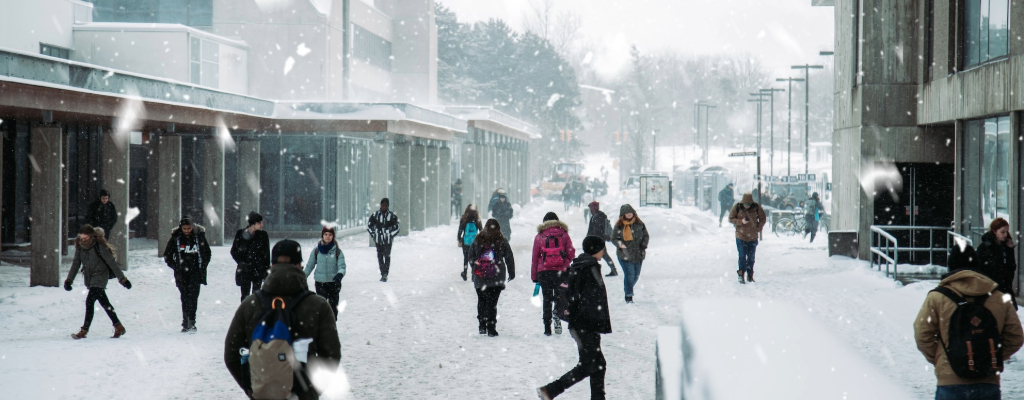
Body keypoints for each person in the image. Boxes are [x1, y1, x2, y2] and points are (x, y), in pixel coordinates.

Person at [224, 239, 342, 400]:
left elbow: (232, 355)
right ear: (300, 265)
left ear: (271, 266)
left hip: (263, 393)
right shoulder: (318, 306)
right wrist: (311, 391)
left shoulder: (250, 305)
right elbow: (331, 355)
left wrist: (253, 388)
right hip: (303, 393)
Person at [914, 244, 1023, 400]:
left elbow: (922, 334)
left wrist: (945, 358)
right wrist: (989, 357)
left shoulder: (937, 297)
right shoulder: (998, 296)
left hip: (950, 382)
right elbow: (1015, 337)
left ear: (951, 266)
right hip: (988, 382)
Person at [537, 235, 612, 400]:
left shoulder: (580, 265)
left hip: (578, 324)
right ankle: (550, 390)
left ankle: (596, 397)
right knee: (588, 366)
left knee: (597, 364)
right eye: (602, 248)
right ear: (595, 249)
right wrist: (595, 324)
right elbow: (591, 300)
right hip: (585, 325)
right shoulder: (590, 268)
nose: (603, 251)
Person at [65, 225, 132, 339]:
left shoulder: (99, 246)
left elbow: (112, 263)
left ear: (91, 236)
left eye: (85, 238)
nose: (83, 240)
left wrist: (123, 279)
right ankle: (118, 326)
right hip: (90, 277)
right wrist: (69, 280)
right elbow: (76, 264)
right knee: (105, 303)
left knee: (89, 301)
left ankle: (84, 330)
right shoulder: (80, 247)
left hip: (100, 276)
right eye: (81, 238)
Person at [468, 218, 516, 337]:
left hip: (480, 278)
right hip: (496, 277)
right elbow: (509, 257)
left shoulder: (478, 240)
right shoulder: (501, 240)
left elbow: (471, 256)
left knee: (482, 301)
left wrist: (476, 268)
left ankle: (482, 325)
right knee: (492, 303)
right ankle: (491, 327)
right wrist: (511, 272)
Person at [163, 217, 212, 332]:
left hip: (196, 272)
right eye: (184, 228)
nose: (186, 231)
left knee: (193, 297)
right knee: (184, 297)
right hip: (181, 274)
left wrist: (203, 265)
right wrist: (175, 266)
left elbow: (207, 253)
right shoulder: (175, 238)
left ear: (192, 227)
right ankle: (185, 322)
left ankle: (192, 321)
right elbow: (167, 255)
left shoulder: (199, 237)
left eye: (189, 228)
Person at [532, 212, 575, 336]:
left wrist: (534, 276)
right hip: (560, 272)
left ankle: (547, 326)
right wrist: (564, 264)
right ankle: (557, 314)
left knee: (547, 299)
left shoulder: (540, 235)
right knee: (559, 296)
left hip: (544, 272)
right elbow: (571, 252)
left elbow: (535, 257)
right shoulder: (564, 234)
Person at [304, 226, 347, 320]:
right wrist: (302, 277)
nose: (328, 236)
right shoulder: (316, 251)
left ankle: (332, 328)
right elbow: (309, 266)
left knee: (333, 309)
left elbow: (342, 266)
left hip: (334, 283)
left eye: (330, 234)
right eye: (326, 234)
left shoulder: (338, 252)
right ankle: (322, 329)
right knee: (321, 308)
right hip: (320, 283)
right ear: (322, 235)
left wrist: (339, 274)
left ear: (333, 236)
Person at [977, 218, 1019, 310]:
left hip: (1005, 288)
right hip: (991, 289)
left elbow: (1011, 267)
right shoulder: (986, 247)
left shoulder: (1006, 246)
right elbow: (982, 268)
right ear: (995, 231)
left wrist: (1009, 249)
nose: (1005, 234)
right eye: (1002, 232)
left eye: (1007, 232)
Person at [230, 211, 270, 302]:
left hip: (258, 270)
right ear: (252, 224)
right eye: (259, 223)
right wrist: (242, 263)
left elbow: (266, 255)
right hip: (245, 270)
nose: (262, 225)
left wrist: (266, 271)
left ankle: (256, 315)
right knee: (245, 296)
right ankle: (246, 314)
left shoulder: (263, 235)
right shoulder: (240, 234)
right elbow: (234, 251)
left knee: (257, 297)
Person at [612, 204, 649, 304]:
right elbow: (614, 238)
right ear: (623, 214)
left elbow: (646, 236)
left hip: (638, 254)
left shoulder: (639, 224)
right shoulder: (619, 225)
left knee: (636, 276)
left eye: (630, 212)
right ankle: (629, 296)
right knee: (629, 275)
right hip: (625, 254)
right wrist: (621, 245)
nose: (629, 214)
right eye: (626, 212)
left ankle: (628, 288)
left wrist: (643, 246)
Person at [729, 193, 767, 284]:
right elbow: (731, 218)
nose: (747, 206)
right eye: (745, 204)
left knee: (751, 258)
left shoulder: (756, 207)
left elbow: (763, 218)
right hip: (740, 236)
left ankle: (750, 275)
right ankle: (741, 275)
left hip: (752, 237)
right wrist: (740, 221)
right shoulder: (737, 207)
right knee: (742, 256)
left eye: (749, 204)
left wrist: (759, 227)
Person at [367, 198, 400, 282]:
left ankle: (385, 274)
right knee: (380, 256)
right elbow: (369, 226)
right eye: (382, 205)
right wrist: (374, 234)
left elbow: (397, 227)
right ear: (380, 205)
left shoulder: (391, 216)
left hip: (387, 240)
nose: (384, 207)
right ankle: (383, 273)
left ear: (388, 206)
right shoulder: (375, 215)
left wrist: (390, 234)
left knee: (387, 256)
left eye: (385, 205)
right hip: (378, 240)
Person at [587, 202, 618, 277]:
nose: (590, 210)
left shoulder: (599, 217)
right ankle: (612, 269)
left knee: (598, 255)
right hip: (597, 240)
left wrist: (594, 238)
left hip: (598, 240)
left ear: (594, 208)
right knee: (601, 255)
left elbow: (597, 230)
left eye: (591, 208)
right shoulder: (596, 216)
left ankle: (594, 272)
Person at [457, 204, 483, 281]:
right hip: (475, 243)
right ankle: (473, 273)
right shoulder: (477, 219)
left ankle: (464, 273)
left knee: (466, 258)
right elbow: (481, 231)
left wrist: (459, 239)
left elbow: (460, 230)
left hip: (466, 242)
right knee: (474, 258)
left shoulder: (464, 218)